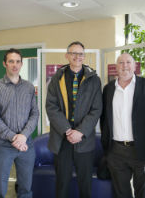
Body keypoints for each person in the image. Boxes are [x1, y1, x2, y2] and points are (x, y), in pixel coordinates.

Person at [46, 41, 102, 198]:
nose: (77, 56)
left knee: (85, 185)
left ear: (84, 57)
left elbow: (96, 109)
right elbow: (51, 107)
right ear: (67, 55)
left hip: (84, 140)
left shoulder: (94, 80)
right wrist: (67, 130)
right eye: (73, 53)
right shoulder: (57, 78)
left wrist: (80, 132)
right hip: (61, 139)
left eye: (80, 54)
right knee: (62, 184)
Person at [100, 53, 145, 198]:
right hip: (116, 151)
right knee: (121, 193)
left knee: (144, 193)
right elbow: (104, 119)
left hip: (142, 149)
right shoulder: (108, 89)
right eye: (120, 62)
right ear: (116, 67)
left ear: (134, 66)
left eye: (128, 62)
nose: (124, 65)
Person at [0, 48, 39, 198]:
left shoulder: (29, 87)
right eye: (11, 61)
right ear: (5, 63)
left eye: (18, 61)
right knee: (0, 189)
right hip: (4, 145)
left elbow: (35, 113)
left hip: (26, 145)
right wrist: (14, 138)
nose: (14, 65)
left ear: (22, 64)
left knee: (26, 188)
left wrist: (23, 136)